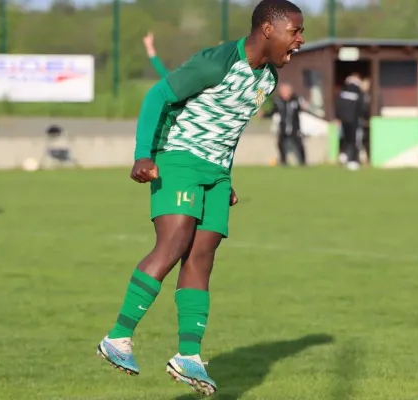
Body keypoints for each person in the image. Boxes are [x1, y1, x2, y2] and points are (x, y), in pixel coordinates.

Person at [96, 0, 304, 396]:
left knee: (202, 256)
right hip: (179, 159)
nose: (300, 39)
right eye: (294, 31)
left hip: (216, 172)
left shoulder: (268, 80)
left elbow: (229, 129)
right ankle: (117, 338)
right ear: (267, 30)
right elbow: (157, 96)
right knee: (174, 243)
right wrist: (143, 153)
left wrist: (225, 176)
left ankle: (188, 356)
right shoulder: (217, 62)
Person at [265, 82, 307, 166]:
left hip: (294, 127)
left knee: (299, 144)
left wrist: (304, 107)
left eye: (286, 91)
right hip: (283, 127)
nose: (284, 94)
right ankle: (283, 161)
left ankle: (303, 162)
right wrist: (264, 115)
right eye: (282, 92)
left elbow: (301, 108)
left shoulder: (296, 99)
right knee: (280, 144)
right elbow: (273, 111)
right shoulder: (278, 101)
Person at [335, 72, 364, 170]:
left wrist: (338, 117)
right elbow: (362, 107)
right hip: (354, 120)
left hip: (343, 120)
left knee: (345, 138)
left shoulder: (343, 90)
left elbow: (338, 105)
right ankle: (353, 161)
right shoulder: (358, 91)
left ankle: (343, 155)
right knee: (355, 141)